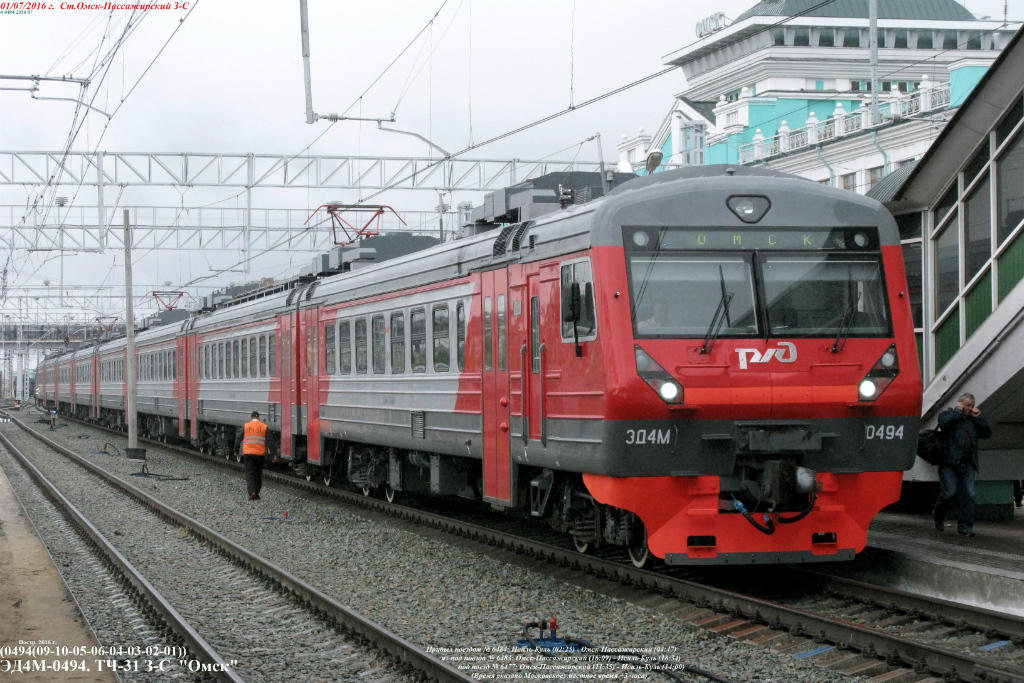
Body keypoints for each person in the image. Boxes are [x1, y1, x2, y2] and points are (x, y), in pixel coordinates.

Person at [933, 393, 992, 537]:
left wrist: (979, 418)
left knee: (969, 494)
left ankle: (965, 527)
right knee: (949, 492)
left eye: (972, 406)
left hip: (968, 464)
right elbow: (943, 423)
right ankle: (938, 514)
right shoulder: (949, 414)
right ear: (960, 404)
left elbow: (987, 433)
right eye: (967, 406)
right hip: (949, 463)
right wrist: (957, 412)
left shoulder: (972, 420)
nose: (970, 409)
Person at [234, 410, 268, 500]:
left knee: (250, 474)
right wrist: (274, 454)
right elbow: (270, 441)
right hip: (260, 454)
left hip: (248, 454)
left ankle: (252, 492)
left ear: (251, 417)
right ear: (259, 417)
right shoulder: (264, 427)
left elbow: (238, 438)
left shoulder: (246, 426)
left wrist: (236, 450)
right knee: (258, 474)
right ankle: (257, 492)